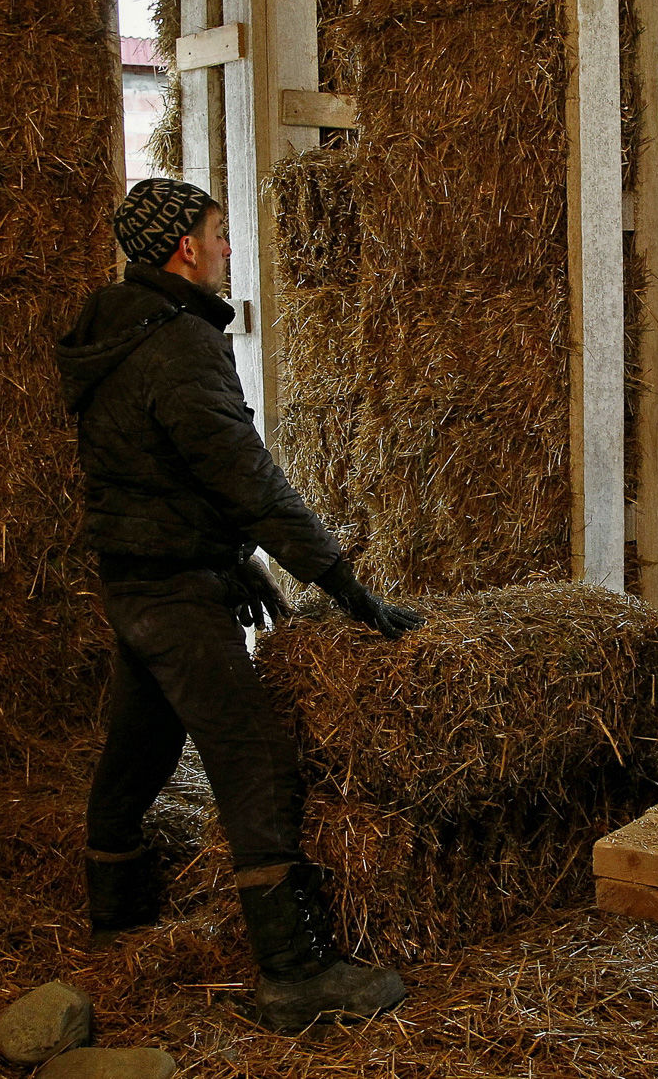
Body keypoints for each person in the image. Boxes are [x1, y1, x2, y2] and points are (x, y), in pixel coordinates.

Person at [54, 177, 424, 1032]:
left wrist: (239, 562)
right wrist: (347, 585)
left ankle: (114, 904)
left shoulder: (118, 331)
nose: (227, 250)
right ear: (186, 246)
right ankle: (293, 969)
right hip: (173, 592)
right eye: (219, 234)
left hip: (138, 576)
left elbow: (165, 469)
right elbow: (247, 478)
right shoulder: (179, 343)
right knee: (255, 755)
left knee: (142, 741)